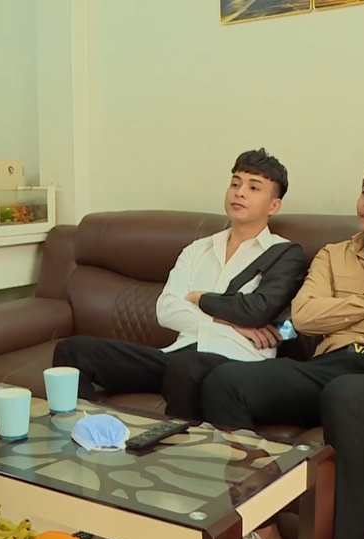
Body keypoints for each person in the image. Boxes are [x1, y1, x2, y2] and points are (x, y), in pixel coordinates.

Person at [201, 149, 364, 539]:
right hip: (326, 365)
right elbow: (304, 317)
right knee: (225, 382)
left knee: (345, 394)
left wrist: (345, 310)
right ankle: (264, 530)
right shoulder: (333, 254)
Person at [52, 148, 307, 420]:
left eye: (253, 187)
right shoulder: (198, 249)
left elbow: (258, 310)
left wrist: (200, 299)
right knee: (73, 351)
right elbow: (166, 310)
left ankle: (178, 443)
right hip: (175, 356)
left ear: (273, 206)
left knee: (187, 366)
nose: (240, 192)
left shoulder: (284, 253)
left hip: (237, 362)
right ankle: (85, 433)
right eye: (235, 183)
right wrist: (227, 321)